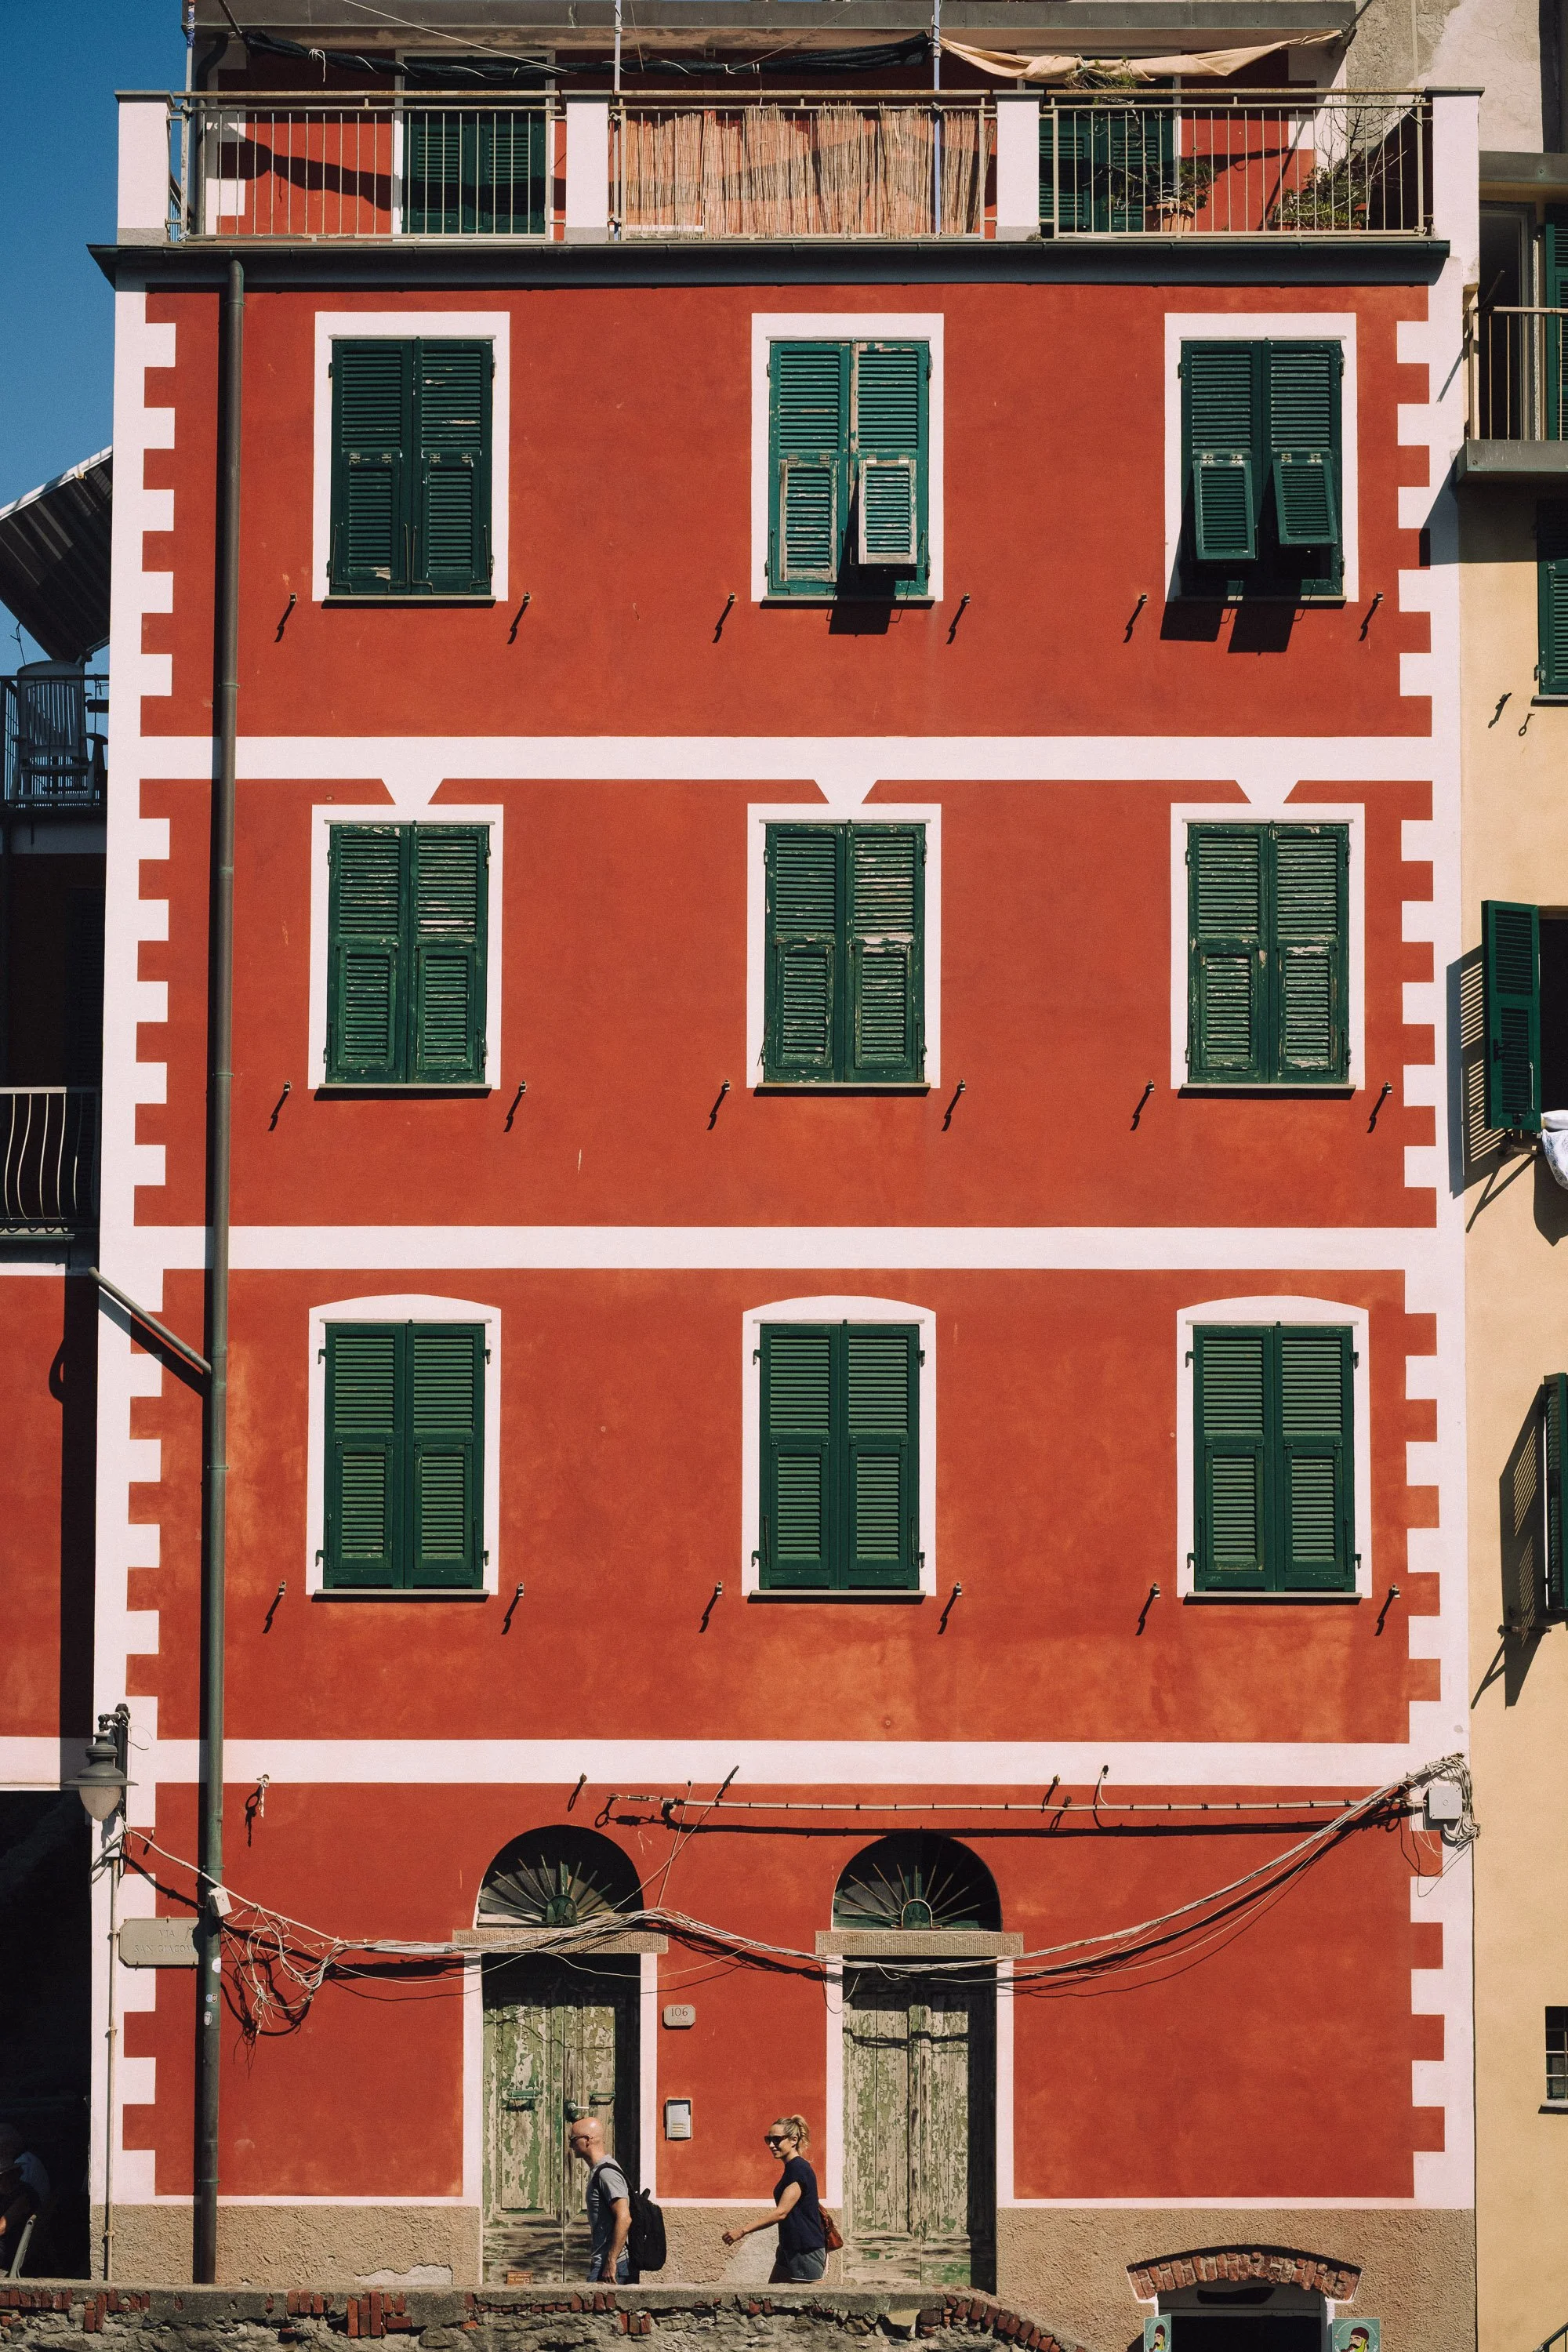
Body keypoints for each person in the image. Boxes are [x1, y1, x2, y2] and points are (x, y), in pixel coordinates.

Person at [722, 2115, 827, 2284]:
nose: (771, 2145)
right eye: (768, 2139)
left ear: (793, 2140)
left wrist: (743, 2230)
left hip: (805, 2247)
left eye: (776, 2140)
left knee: (815, 2304)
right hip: (791, 2246)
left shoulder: (799, 2168)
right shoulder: (792, 2168)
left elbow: (781, 2212)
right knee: (771, 2298)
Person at [568, 2114, 633, 2284]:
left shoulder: (607, 2173)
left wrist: (611, 2262)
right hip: (604, 2262)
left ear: (587, 2140)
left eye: (573, 2140)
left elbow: (624, 2218)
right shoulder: (600, 2171)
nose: (571, 2145)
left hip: (611, 2266)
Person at [0, 2128, 48, 2277]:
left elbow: (2, 2227)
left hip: (8, 2253)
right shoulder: (11, 2193)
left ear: (8, 2177)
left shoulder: (24, 2196)